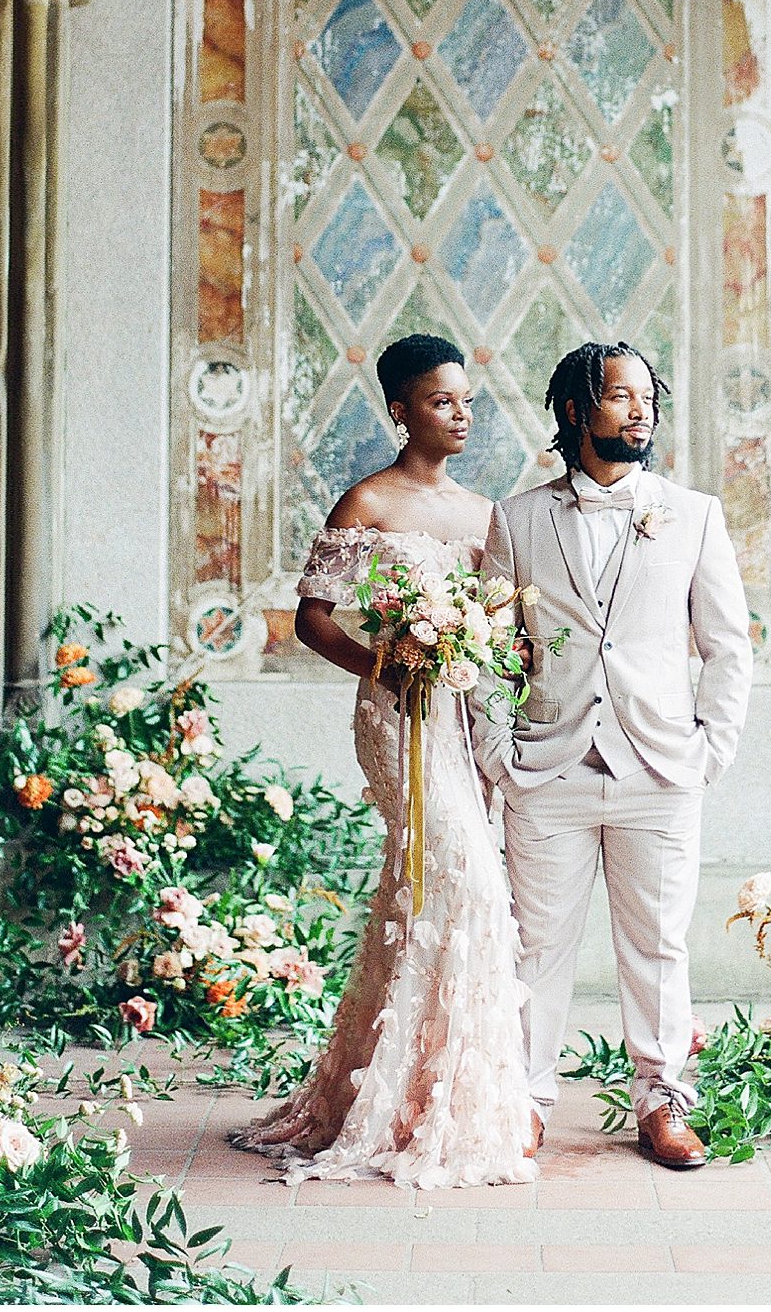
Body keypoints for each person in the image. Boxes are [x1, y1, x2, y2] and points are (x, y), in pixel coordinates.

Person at [231, 333, 536, 1188]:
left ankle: (431, 1089)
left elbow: (504, 624)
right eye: (442, 401)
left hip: (462, 715)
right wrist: (387, 662)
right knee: (460, 880)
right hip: (394, 715)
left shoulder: (485, 515)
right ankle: (407, 1094)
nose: (462, 413)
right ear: (401, 408)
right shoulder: (366, 501)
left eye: (467, 400)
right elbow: (312, 618)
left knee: (433, 888)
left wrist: (478, 655)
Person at [471, 341, 752, 1170]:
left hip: (659, 771)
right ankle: (524, 1100)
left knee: (660, 945)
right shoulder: (517, 519)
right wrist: (497, 751)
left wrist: (708, 755)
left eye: (647, 397)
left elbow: (729, 647)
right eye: (622, 396)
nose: (641, 411)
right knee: (536, 946)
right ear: (573, 410)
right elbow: (487, 647)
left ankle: (663, 1101)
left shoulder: (693, 514)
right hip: (546, 769)